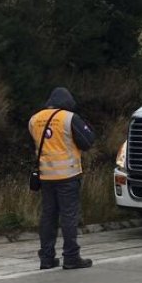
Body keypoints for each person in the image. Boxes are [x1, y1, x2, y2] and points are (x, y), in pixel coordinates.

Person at [28, 87, 96, 269]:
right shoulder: (68, 118)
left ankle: (47, 258)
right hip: (68, 175)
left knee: (48, 217)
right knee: (68, 217)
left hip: (46, 176)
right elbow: (88, 140)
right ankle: (71, 257)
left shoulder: (34, 119)